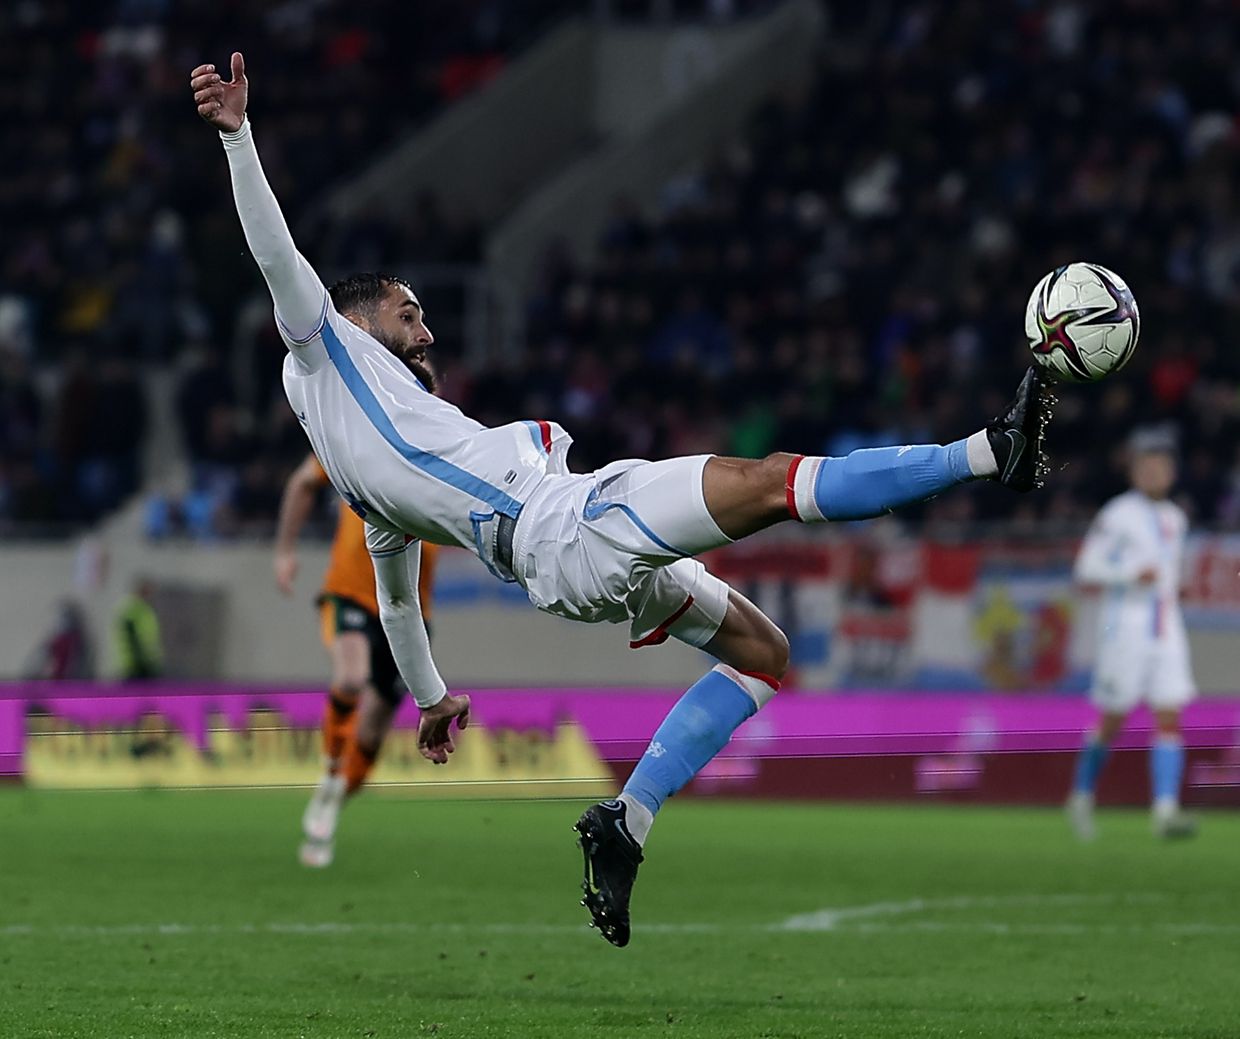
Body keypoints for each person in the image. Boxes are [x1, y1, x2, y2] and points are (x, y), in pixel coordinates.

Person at [191, 53, 1058, 946]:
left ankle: (628, 820)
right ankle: (994, 451)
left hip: (560, 557)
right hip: (568, 527)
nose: (428, 328)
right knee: (772, 481)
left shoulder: (362, 471)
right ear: (355, 322)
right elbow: (274, 251)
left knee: (764, 652)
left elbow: (398, 601)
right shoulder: (323, 344)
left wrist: (433, 697)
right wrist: (240, 137)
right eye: (410, 314)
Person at [274, 451, 440, 867]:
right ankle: (331, 771)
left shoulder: (444, 451)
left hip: (410, 611)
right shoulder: (354, 438)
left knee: (373, 730)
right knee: (351, 679)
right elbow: (301, 483)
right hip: (352, 593)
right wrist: (284, 551)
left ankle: (331, 799)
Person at [1067, 428, 1197, 840]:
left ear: (1172, 472)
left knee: (1170, 713)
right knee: (1114, 718)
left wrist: (1175, 588)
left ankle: (1165, 811)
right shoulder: (1117, 514)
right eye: (1146, 465)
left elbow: (1170, 572)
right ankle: (1081, 796)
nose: (1154, 472)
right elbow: (1085, 568)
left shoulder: (1176, 518)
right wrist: (1128, 575)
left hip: (1167, 628)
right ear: (1134, 472)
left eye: (1161, 465)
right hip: (1125, 628)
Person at [114, 577, 162, 681]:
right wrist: (141, 661)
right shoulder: (133, 608)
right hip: (135, 665)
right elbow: (131, 637)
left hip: (145, 661)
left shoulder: (144, 608)